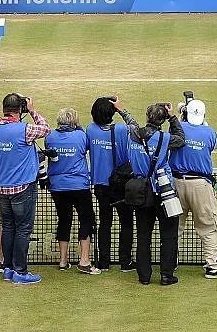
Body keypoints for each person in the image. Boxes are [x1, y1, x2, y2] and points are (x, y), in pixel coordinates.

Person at [169, 98, 217, 278]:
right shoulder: (209, 132)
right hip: (201, 186)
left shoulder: (177, 128)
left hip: (176, 184)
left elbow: (176, 133)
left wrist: (182, 118)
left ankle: (170, 262)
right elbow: (214, 145)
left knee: (175, 226)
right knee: (208, 226)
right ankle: (213, 266)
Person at [0, 93, 49, 284]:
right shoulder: (24, 130)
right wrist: (32, 111)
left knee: (8, 227)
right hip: (22, 187)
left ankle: (8, 268)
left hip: (1, 188)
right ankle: (21, 272)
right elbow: (45, 128)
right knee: (23, 229)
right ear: (20, 110)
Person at [126, 101, 184, 286]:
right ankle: (166, 274)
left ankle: (144, 275)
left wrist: (123, 111)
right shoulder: (165, 138)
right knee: (168, 235)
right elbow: (181, 139)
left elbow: (131, 123)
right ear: (163, 120)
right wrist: (173, 118)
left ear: (147, 117)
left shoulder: (133, 134)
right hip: (163, 190)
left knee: (143, 234)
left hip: (141, 192)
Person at [45, 107, 100, 274]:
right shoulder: (81, 136)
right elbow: (86, 145)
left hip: (58, 185)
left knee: (64, 220)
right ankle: (84, 260)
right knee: (86, 219)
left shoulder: (50, 137)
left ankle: (63, 260)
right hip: (79, 185)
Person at [87, 96, 135, 272]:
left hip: (100, 183)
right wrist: (121, 109)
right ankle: (125, 262)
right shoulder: (123, 130)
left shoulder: (91, 130)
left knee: (105, 222)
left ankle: (104, 262)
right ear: (112, 113)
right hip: (121, 183)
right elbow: (136, 127)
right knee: (126, 222)